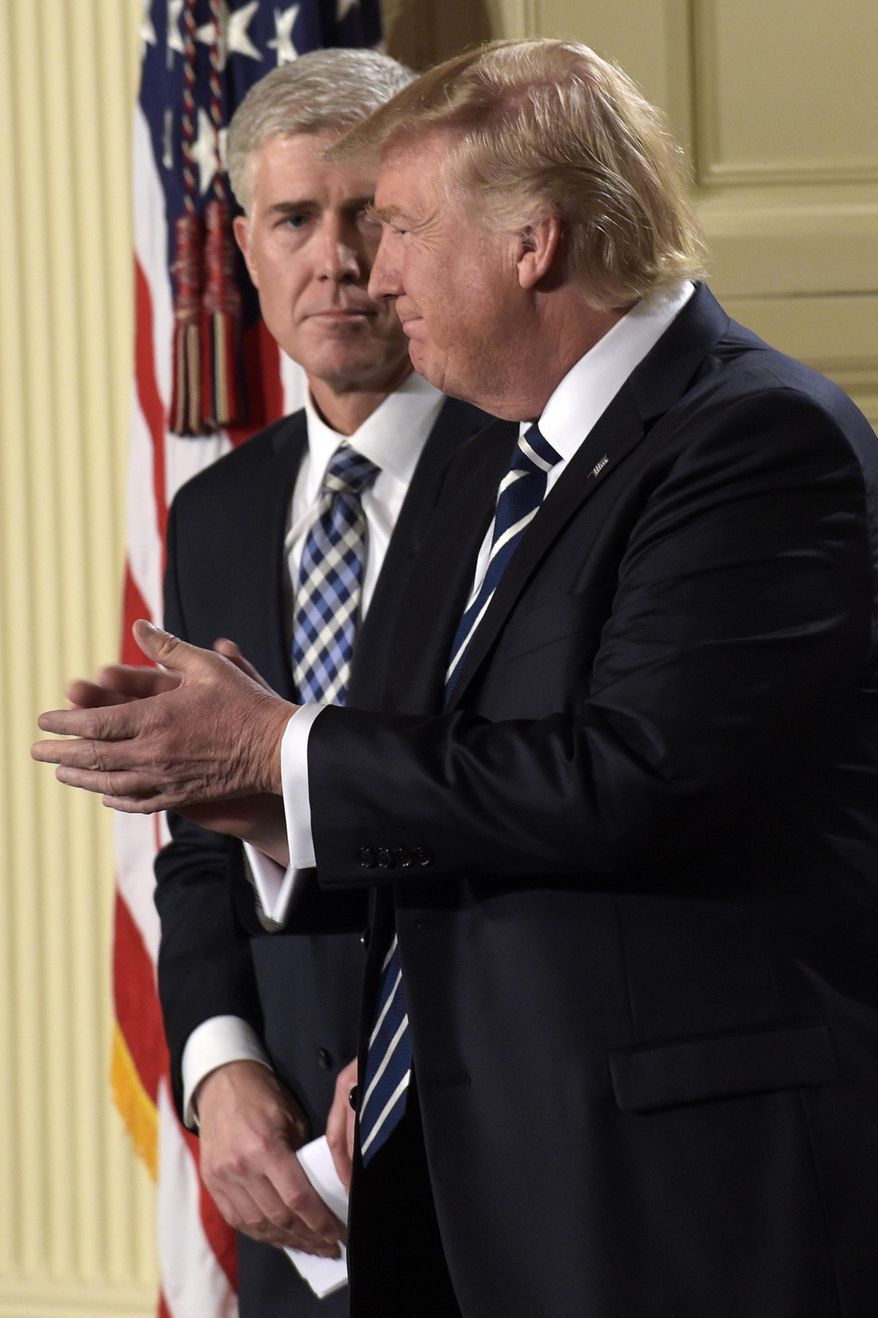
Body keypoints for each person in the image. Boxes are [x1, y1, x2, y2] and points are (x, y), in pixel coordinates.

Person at [35, 38, 878, 1318]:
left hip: (681, 1198)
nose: (373, 272)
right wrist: (261, 805)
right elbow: (491, 797)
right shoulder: (556, 457)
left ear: (530, 240)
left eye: (402, 228)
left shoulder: (753, 436)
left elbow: (627, 777)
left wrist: (281, 754)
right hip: (487, 1175)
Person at [70, 50, 507, 1317]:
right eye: (293, 221)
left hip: (487, 1140)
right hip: (282, 1191)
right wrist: (216, 1067)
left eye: (369, 214)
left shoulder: (531, 473)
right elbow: (198, 842)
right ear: (245, 253)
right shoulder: (209, 514)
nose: (337, 259)